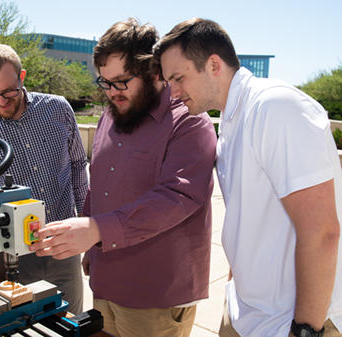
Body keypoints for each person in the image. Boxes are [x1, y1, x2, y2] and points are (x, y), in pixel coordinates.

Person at [152, 18, 342, 337]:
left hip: (290, 322)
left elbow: (323, 232)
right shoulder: (230, 119)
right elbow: (249, 220)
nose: (172, 93)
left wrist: (306, 330)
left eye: (178, 78)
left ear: (214, 65)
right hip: (243, 313)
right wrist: (232, 285)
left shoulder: (275, 107)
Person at [28, 18, 217, 337]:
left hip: (155, 297)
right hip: (105, 284)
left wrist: (96, 229)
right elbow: (98, 185)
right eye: (105, 82)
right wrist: (91, 243)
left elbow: (177, 198)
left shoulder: (189, 123)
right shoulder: (110, 116)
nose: (112, 92)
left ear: (154, 72)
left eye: (121, 81)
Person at [0, 42, 88, 315]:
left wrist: (89, 227)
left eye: (8, 91)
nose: (2, 101)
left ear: (22, 76)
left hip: (64, 245)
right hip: (9, 256)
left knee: (71, 324)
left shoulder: (58, 109)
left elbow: (77, 167)